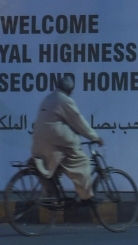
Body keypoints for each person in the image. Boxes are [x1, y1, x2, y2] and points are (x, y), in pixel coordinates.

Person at [30, 74, 104, 202]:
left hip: (39, 142)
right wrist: (95, 137)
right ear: (70, 90)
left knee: (55, 169)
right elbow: (78, 121)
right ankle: (86, 197)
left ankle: (50, 192)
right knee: (82, 161)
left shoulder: (49, 98)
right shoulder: (64, 100)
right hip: (55, 142)